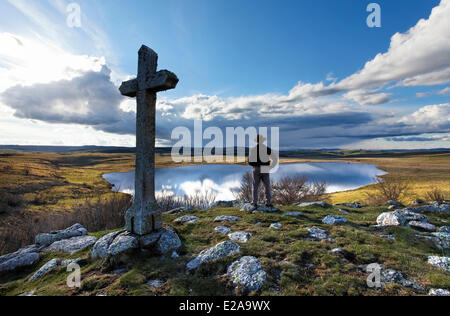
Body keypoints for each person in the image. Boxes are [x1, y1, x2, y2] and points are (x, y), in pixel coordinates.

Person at [248, 135, 273, 208]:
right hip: (265, 168)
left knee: (255, 186)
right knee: (267, 186)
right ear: (263, 141)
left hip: (256, 169)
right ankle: (268, 202)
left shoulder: (253, 149)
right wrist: (268, 163)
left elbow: (250, 162)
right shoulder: (267, 149)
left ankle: (254, 202)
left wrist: (255, 165)